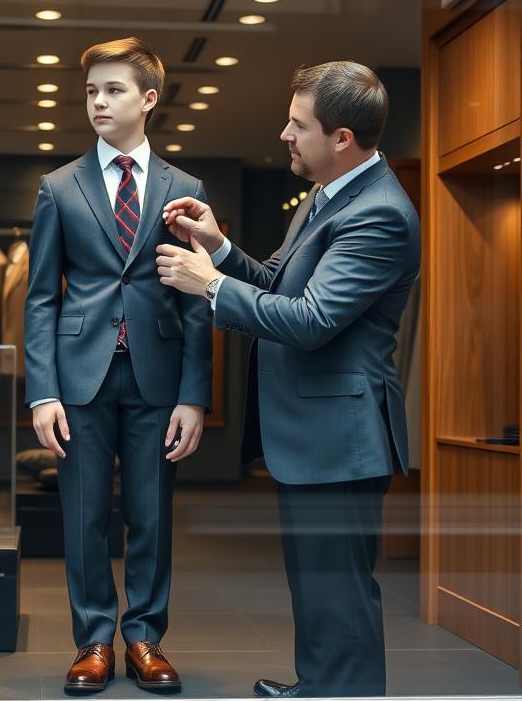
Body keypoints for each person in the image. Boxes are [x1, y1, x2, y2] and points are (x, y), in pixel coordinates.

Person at [156, 61, 420, 698]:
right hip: (315, 435)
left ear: (341, 140)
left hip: (342, 437)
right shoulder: (327, 197)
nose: (283, 135)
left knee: (340, 588)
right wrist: (218, 247)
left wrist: (210, 285)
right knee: (317, 582)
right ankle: (320, 685)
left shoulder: (378, 213)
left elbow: (312, 320)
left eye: (298, 125)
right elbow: (277, 282)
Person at [25, 37, 213, 694]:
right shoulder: (58, 188)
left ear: (149, 99)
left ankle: (145, 638)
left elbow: (197, 300)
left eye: (113, 90)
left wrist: (194, 396)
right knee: (83, 515)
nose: (98, 102)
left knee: (151, 513)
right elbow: (41, 297)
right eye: (91, 91)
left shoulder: (185, 189)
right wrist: (40, 391)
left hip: (157, 375)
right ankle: (92, 640)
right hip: (79, 375)